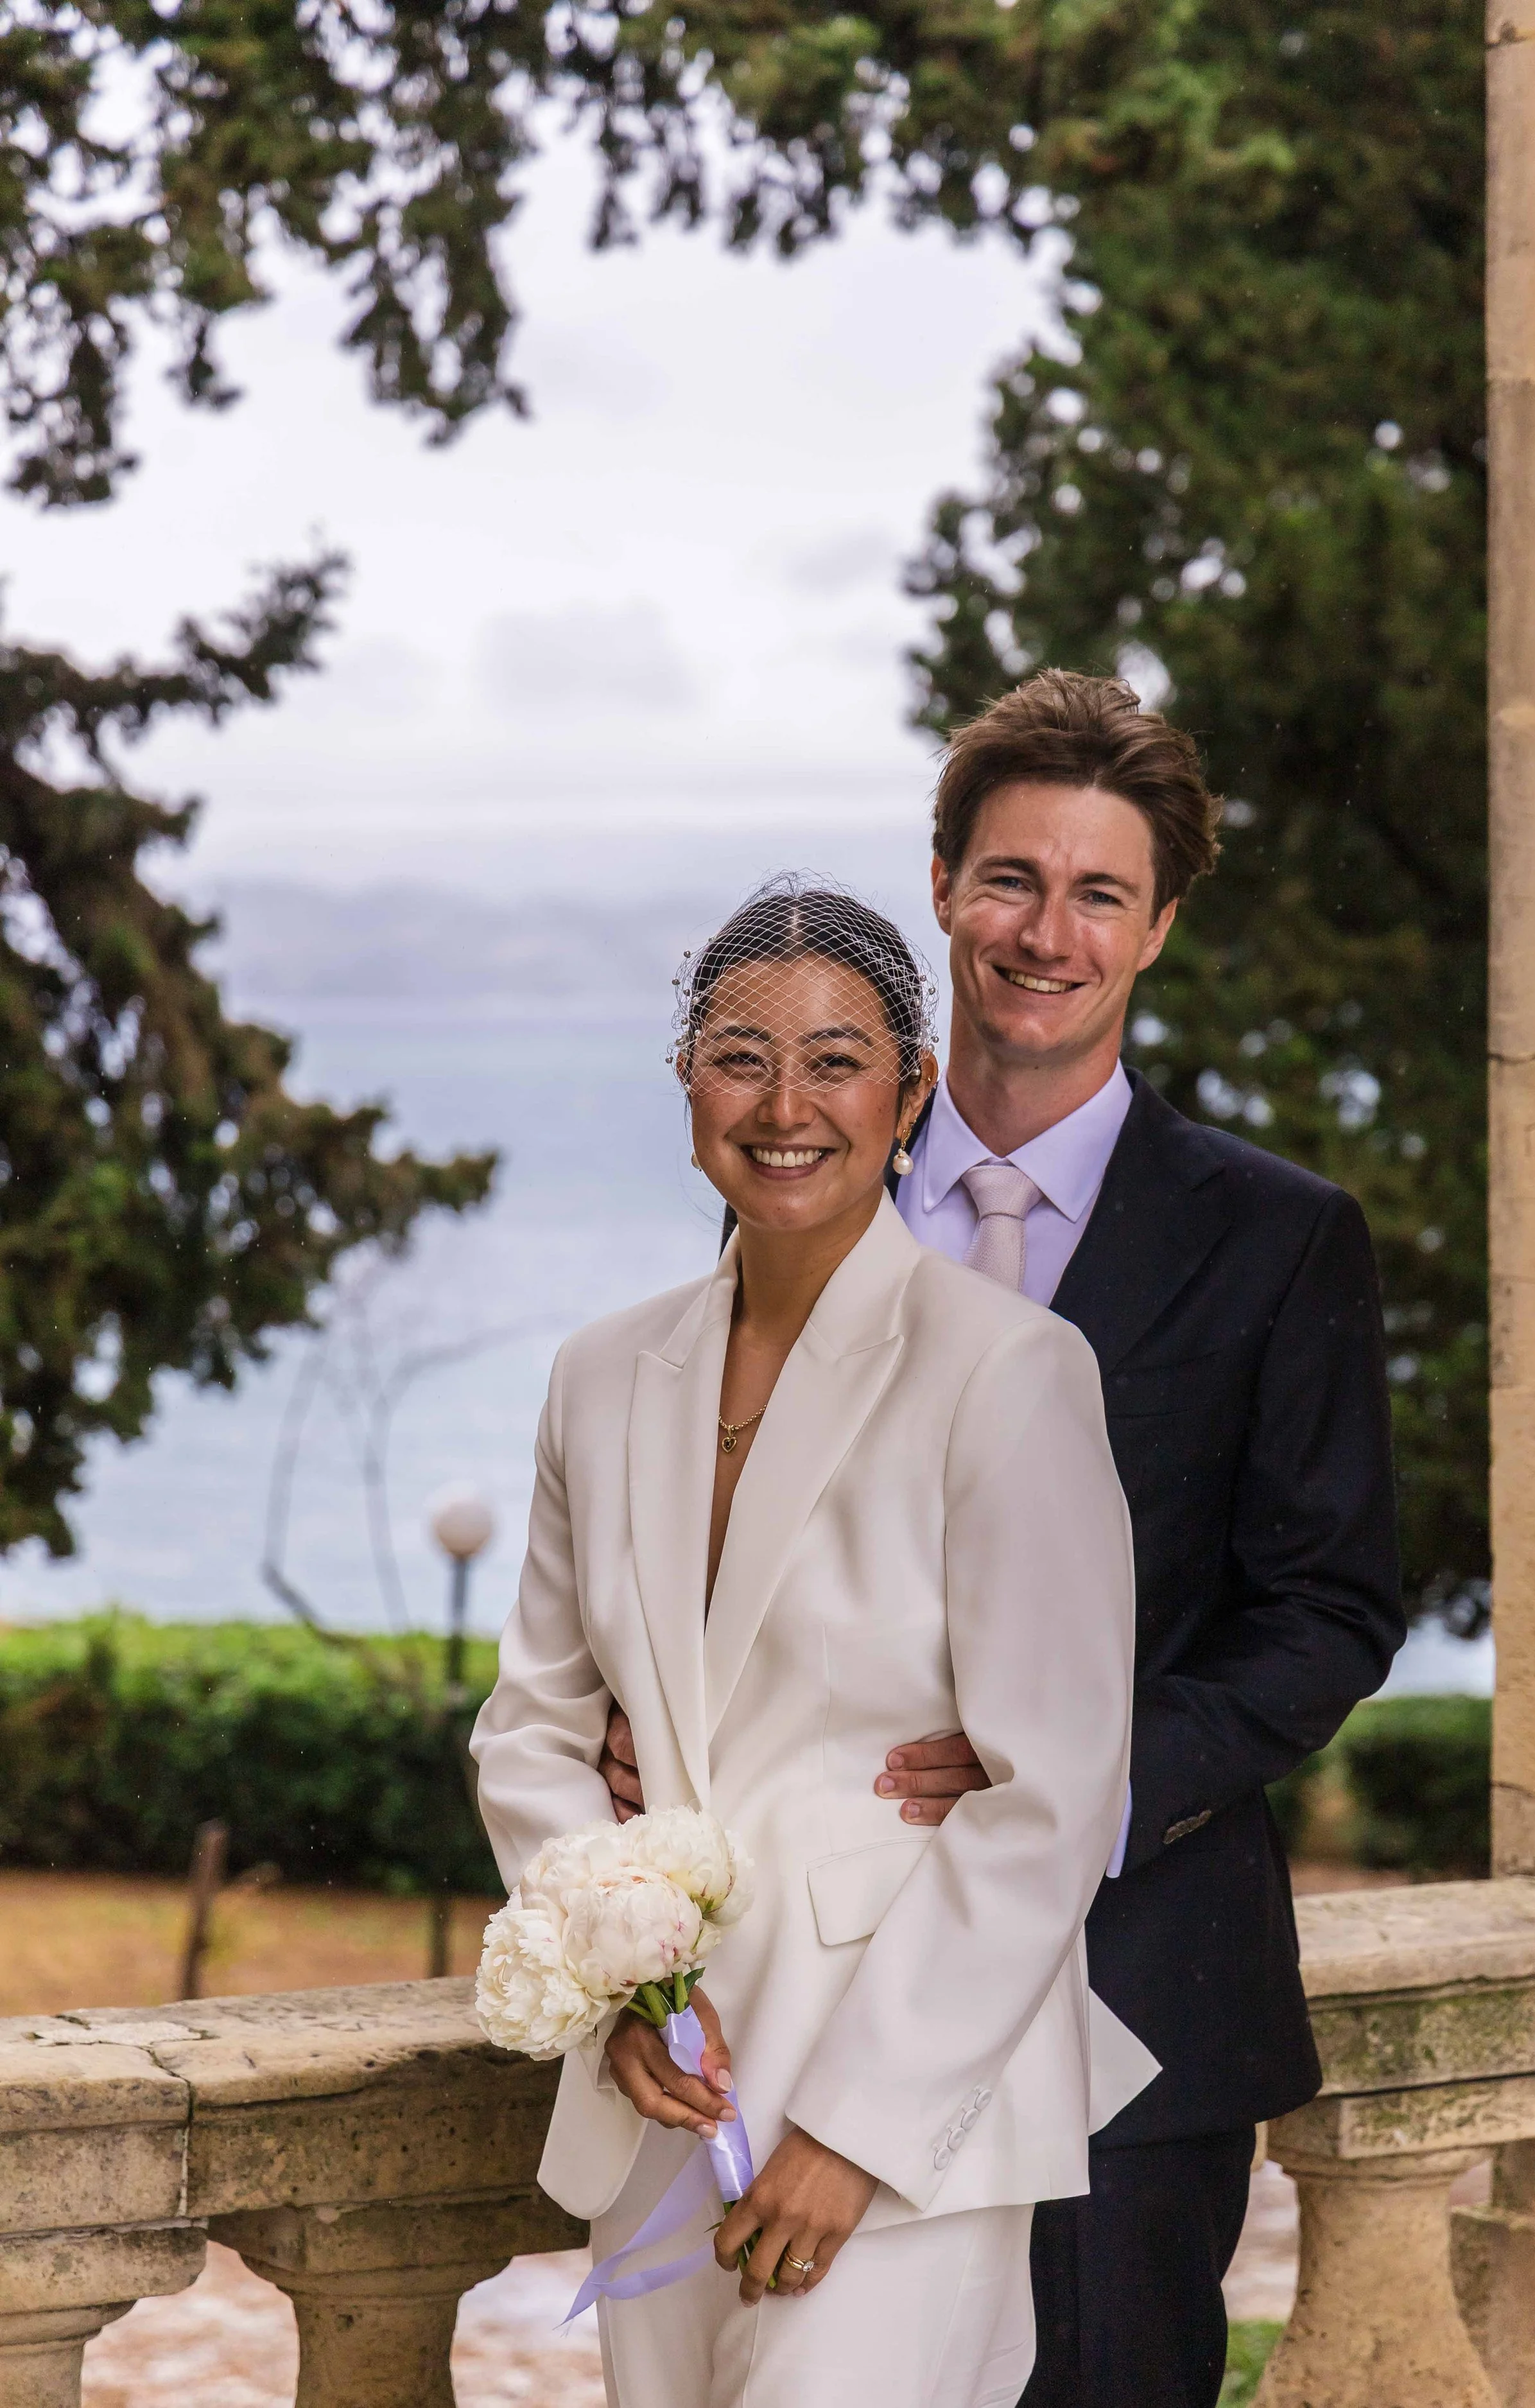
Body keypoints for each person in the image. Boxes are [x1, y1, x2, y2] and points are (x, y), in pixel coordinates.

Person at [603, 673, 1406, 2407]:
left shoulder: (1277, 1238)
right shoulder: (794, 1183)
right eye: (1009, 880)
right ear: (947, 888)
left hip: (1132, 2003)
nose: (1047, 931)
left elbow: (1328, 1607)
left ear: (1159, 925)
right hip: (782, 2014)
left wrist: (1073, 1773)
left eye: (1098, 891)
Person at [472, 879, 1156, 2408]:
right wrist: (613, 1981)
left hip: (902, 2090)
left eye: (837, 1059)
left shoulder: (1010, 1373)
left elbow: (1048, 1795)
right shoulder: (598, 1376)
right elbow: (528, 1728)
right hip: (666, 2080)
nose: (786, 1105)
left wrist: (857, 2131)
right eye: (739, 1055)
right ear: (684, 1083)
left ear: (910, 1091)